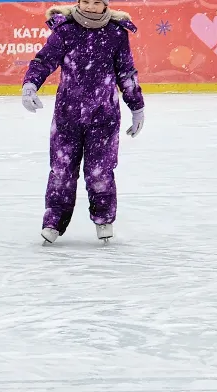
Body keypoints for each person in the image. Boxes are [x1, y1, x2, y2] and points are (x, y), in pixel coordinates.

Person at [21, 0, 145, 244]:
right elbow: (44, 61)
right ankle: (53, 222)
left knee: (100, 171)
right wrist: (30, 85)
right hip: (67, 115)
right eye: (86, 1)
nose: (90, 7)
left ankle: (104, 219)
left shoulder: (116, 33)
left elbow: (126, 73)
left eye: (96, 2)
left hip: (104, 116)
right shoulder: (65, 30)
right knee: (61, 171)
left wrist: (137, 107)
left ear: (105, 5)